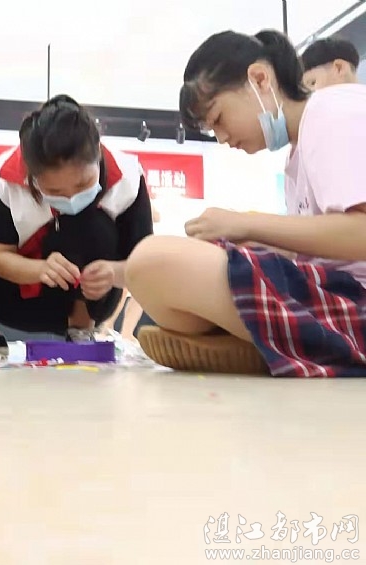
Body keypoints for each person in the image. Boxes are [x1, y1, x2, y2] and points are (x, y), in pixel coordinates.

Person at [125, 29, 366, 377]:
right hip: (337, 294)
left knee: (152, 262)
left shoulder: (331, 110)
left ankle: (265, 343)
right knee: (155, 270)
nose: (222, 138)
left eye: (219, 119)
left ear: (260, 79)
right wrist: (252, 243)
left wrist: (246, 223)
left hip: (354, 301)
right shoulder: (299, 148)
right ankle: (270, 343)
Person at [0, 95, 154, 358]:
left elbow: (145, 264)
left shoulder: (128, 180)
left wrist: (112, 273)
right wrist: (40, 269)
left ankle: (80, 332)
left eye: (83, 184)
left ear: (98, 152)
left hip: (89, 297)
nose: (70, 197)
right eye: (54, 191)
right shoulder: (5, 179)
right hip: (17, 294)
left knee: (93, 223)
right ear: (31, 174)